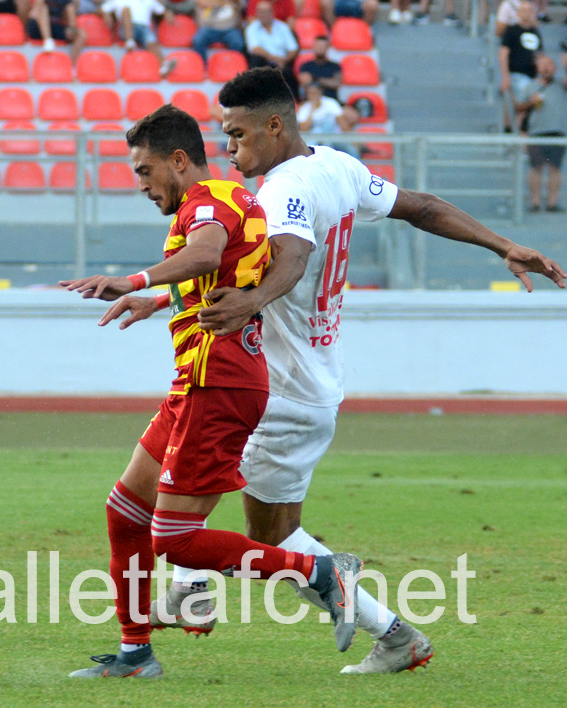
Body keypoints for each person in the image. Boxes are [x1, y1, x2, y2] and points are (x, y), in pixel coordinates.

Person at [143, 67, 566, 674]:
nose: (229, 149)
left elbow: (290, 256)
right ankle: (386, 636)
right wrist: (501, 244)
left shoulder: (281, 190)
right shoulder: (337, 167)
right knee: (251, 518)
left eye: (236, 135)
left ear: (274, 125)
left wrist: (252, 302)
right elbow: (421, 207)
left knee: (229, 522)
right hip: (314, 388)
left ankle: (199, 590)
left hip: (275, 390)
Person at [61, 104, 365, 679]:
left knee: (174, 539)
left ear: (179, 161)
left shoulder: (208, 203)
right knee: (126, 511)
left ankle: (321, 574)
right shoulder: (226, 201)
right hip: (200, 382)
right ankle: (134, 654)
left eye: (145, 173)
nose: (142, 187)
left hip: (221, 385)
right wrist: (156, 300)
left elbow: (202, 255)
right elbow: (223, 272)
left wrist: (135, 279)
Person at [514, 54, 567, 212]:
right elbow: (519, 107)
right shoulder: (530, 86)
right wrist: (531, 102)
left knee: (555, 168)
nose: (547, 68)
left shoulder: (559, 85)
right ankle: (535, 202)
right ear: (537, 68)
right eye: (543, 65)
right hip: (536, 131)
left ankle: (552, 202)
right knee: (536, 167)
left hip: (557, 131)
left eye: (550, 64)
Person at [100, 0, 177, 76]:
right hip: (126, 28)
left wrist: (167, 13)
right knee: (126, 10)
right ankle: (129, 41)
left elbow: (162, 10)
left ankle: (164, 64)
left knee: (152, 42)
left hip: (144, 28)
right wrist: (106, 15)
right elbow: (103, 9)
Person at [499, 1, 541, 133]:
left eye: (529, 11)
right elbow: (503, 53)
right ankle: (513, 136)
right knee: (519, 108)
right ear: (518, 13)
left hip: (532, 77)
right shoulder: (512, 31)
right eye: (524, 11)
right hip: (516, 75)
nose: (526, 14)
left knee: (527, 110)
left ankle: (518, 138)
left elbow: (540, 55)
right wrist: (505, 77)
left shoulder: (535, 32)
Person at [245, 0, 298, 96]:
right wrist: (274, 59)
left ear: (272, 12)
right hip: (264, 62)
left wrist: (284, 60)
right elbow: (255, 49)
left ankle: (295, 100)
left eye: (266, 11)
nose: (263, 15)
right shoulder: (252, 28)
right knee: (255, 60)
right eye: (260, 12)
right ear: (256, 13)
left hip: (283, 62)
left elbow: (293, 49)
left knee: (288, 72)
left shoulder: (283, 27)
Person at [296, 35, 341, 101]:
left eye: (323, 46)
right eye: (318, 46)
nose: (320, 48)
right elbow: (306, 83)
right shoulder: (305, 66)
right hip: (311, 101)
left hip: (331, 101)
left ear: (328, 48)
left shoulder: (335, 66)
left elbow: (336, 84)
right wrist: (326, 81)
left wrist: (315, 79)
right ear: (313, 46)